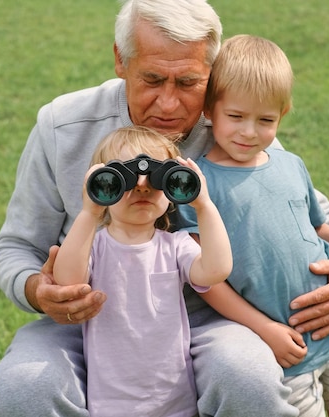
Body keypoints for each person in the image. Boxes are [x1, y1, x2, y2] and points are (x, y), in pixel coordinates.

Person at [0, 1, 329, 416]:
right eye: (153, 79)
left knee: (248, 376)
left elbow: (307, 206)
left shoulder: (234, 125)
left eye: (189, 82)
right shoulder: (62, 126)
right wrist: (39, 290)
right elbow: (15, 247)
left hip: (211, 315)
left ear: (211, 74)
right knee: (25, 387)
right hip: (91, 316)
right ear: (121, 60)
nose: (170, 103)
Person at [178, 34, 329, 417]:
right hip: (285, 341)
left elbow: (317, 225)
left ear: (283, 113)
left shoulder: (290, 164)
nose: (249, 132)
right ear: (210, 110)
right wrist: (265, 330)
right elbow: (206, 279)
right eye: (236, 117)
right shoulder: (201, 187)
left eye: (265, 120)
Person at [52, 126, 232, 417]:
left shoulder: (175, 246)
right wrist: (89, 213)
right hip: (110, 404)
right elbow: (68, 280)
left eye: (158, 179)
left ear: (173, 189)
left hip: (175, 402)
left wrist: (204, 205)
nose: (142, 187)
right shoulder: (94, 246)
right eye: (125, 179)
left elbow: (216, 270)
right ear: (103, 185)